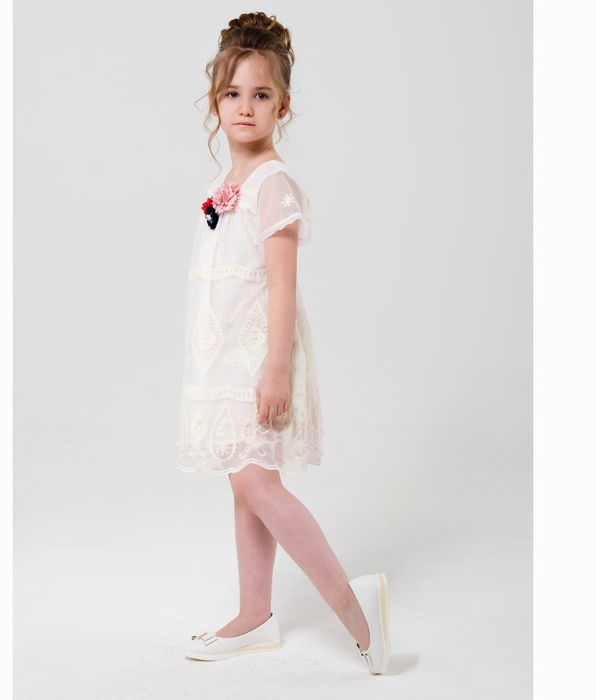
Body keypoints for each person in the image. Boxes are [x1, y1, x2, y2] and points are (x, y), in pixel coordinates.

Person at [175, 12, 390, 675]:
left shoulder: (273, 186)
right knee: (244, 486)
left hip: (255, 359)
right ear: (216, 101)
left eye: (261, 94)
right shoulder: (224, 187)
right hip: (222, 357)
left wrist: (274, 369)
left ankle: (356, 610)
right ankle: (255, 614)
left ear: (282, 105)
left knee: (259, 484)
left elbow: (282, 286)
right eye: (233, 93)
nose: (246, 106)